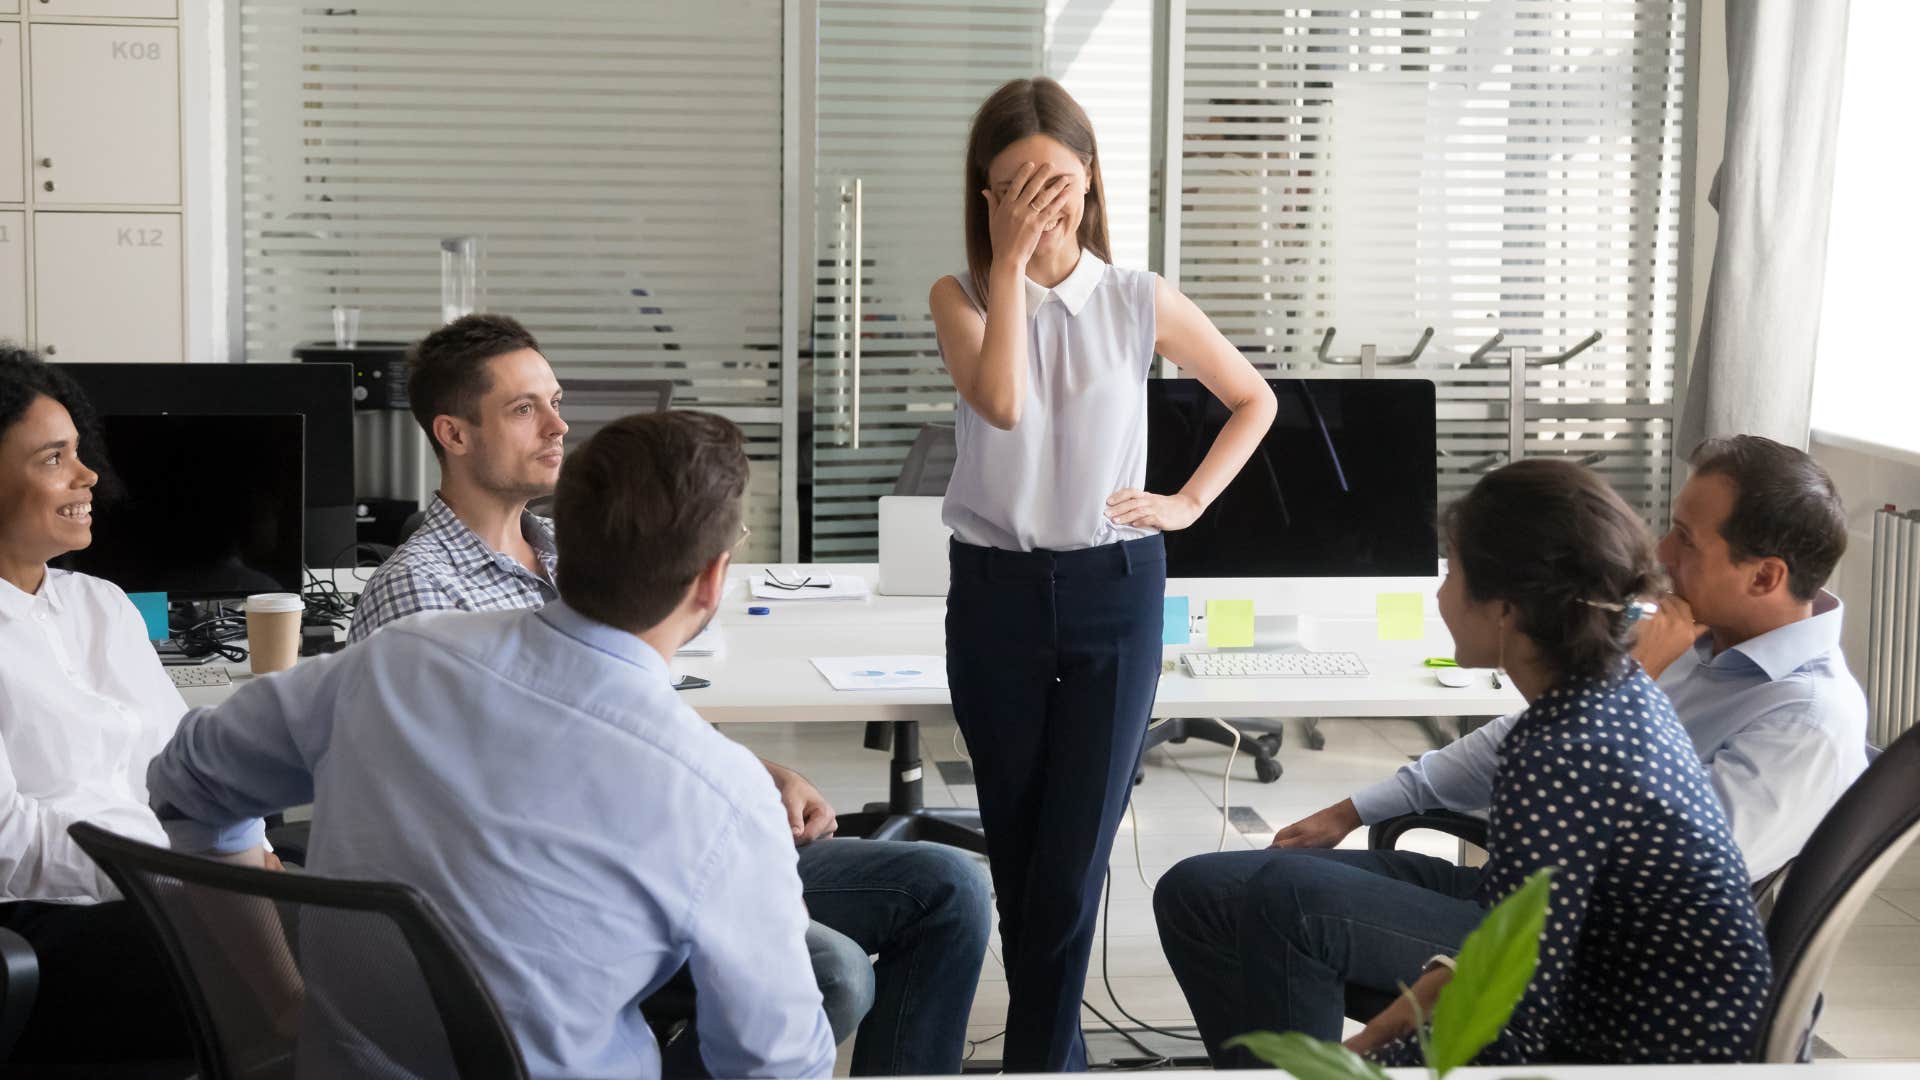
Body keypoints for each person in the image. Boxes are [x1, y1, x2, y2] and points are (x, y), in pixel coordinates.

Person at [350, 314, 990, 1076]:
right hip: (567, 895)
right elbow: (463, 804)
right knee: (830, 971)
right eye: (525, 409)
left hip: (659, 843)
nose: (559, 426)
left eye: (554, 401)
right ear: (453, 435)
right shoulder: (419, 594)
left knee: (946, 886)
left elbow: (620, 712)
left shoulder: (566, 549)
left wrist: (747, 773)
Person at [148, 412, 838, 1080]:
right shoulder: (719, 790)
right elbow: (773, 1063)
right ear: (712, 579)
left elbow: (186, 779)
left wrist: (278, 997)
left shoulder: (398, 661)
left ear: (564, 542)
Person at [1152, 436, 1866, 1063]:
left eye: (1685, 536)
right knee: (1199, 891)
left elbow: (1643, 895)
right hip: (1549, 913)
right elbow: (1527, 751)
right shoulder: (1673, 649)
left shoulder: (1804, 714)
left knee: (1291, 901)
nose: (1663, 554)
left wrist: (1370, 1057)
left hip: (1616, 979)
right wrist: (1355, 807)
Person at [929, 77, 1277, 1071]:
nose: (1045, 205)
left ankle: (1040, 1062)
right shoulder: (957, 295)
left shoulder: (1136, 297)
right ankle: (1054, 1056)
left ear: (1093, 185)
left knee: (1074, 858)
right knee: (1020, 842)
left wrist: (1187, 504)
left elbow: (1252, 400)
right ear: (985, 194)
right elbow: (1000, 402)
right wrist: (1007, 269)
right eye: (1018, 186)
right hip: (994, 590)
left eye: (1062, 184)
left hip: (1115, 587)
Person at [0, 349, 268, 1069]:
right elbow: (9, 844)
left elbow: (185, 771)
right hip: (54, 918)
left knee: (356, 911)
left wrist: (247, 856)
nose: (87, 476)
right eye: (53, 458)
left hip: (169, 890)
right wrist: (182, 881)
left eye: (79, 452)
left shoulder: (101, 604)